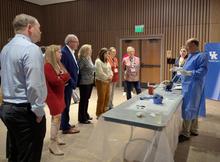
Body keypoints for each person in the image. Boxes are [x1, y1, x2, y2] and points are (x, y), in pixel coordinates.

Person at [0, 14, 47, 162]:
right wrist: (38, 110)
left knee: (16, 151)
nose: (41, 32)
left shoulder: (5, 49)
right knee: (29, 155)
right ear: (30, 28)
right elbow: (34, 84)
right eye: (39, 28)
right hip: (25, 111)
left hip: (7, 108)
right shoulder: (31, 49)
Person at [178, 38, 208, 142]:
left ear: (195, 45)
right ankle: (194, 129)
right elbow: (186, 69)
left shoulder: (202, 56)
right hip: (187, 85)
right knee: (193, 107)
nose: (187, 48)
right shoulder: (190, 56)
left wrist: (190, 73)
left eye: (189, 46)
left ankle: (186, 133)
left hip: (194, 86)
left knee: (189, 107)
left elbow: (202, 71)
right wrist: (181, 71)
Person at [44, 45, 70, 155]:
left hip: (59, 93)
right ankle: (52, 143)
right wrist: (62, 78)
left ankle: (56, 137)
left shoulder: (58, 64)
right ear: (53, 53)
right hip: (52, 94)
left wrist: (62, 78)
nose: (61, 53)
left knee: (57, 117)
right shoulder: (48, 66)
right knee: (56, 116)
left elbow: (67, 75)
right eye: (59, 52)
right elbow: (55, 81)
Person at [60, 34, 80, 134]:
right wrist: (71, 81)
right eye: (76, 42)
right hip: (67, 84)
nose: (77, 44)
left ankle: (64, 123)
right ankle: (65, 127)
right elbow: (64, 70)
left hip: (70, 82)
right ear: (70, 42)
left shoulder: (70, 51)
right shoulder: (64, 52)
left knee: (66, 104)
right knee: (66, 105)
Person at [78, 44, 95, 124]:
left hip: (90, 81)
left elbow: (92, 68)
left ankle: (86, 114)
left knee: (87, 99)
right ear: (85, 50)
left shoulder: (89, 58)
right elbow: (79, 69)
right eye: (89, 49)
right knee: (83, 100)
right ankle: (82, 118)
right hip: (84, 82)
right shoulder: (82, 59)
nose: (91, 51)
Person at [95, 48, 113, 118]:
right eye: (106, 54)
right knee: (101, 98)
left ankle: (104, 111)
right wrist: (107, 77)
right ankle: (99, 113)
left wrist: (111, 75)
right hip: (101, 81)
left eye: (108, 54)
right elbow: (99, 72)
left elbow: (110, 70)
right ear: (102, 54)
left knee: (107, 97)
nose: (107, 55)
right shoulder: (98, 61)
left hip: (107, 81)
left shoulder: (107, 61)